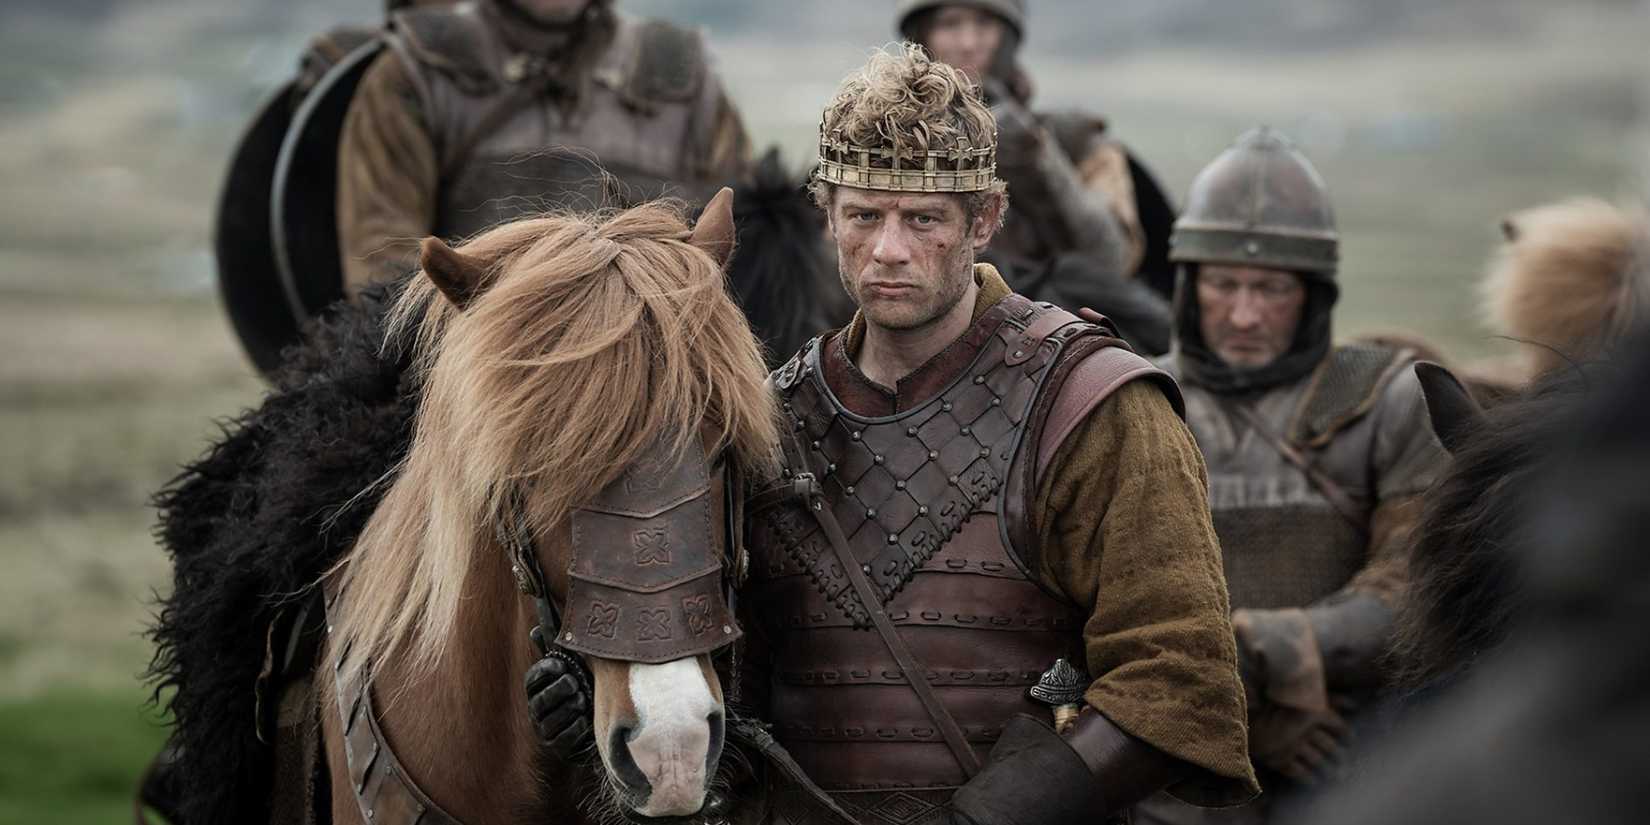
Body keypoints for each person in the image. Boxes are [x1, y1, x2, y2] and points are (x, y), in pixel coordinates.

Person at [732, 44, 1257, 825]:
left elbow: (1179, 675)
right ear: (828, 213)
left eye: (924, 218)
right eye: (864, 215)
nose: (888, 249)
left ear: (984, 219)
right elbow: (736, 679)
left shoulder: (1091, 402)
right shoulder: (771, 414)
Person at [1138, 127, 1451, 825]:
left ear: (1312, 293)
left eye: (1271, 289)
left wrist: (1268, 652)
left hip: (1345, 748)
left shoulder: (1384, 400)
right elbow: (1097, 600)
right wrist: (1237, 717)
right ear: (1191, 284)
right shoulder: (1136, 403)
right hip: (1169, 763)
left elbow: (1418, 579)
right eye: (1223, 284)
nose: (1244, 313)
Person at [335, 0, 750, 294]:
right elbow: (384, 267)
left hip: (659, 372)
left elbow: (745, 258)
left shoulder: (683, 80)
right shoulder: (416, 76)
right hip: (478, 378)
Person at [896, 0, 1179, 299]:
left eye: (984, 24)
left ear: (1006, 38)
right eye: (950, 24)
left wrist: (1036, 159)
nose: (968, 43)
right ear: (922, 36)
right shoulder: (885, 141)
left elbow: (1111, 261)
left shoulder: (1075, 139)